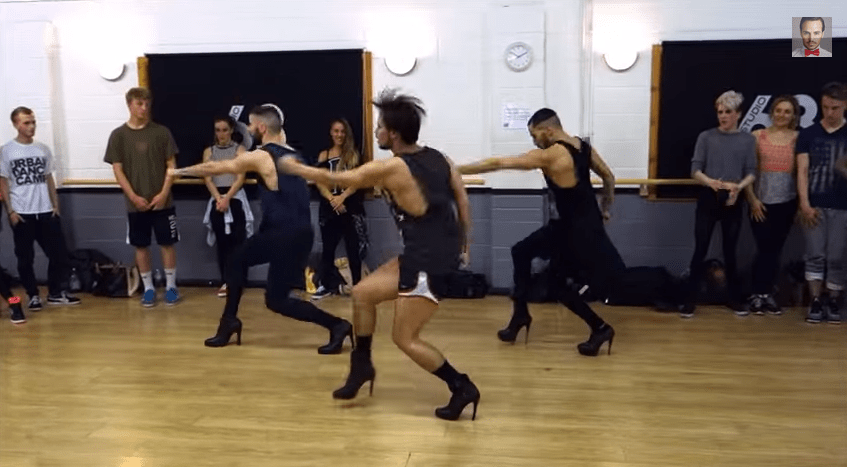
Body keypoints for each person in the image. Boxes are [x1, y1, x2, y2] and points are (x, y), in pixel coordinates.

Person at [282, 90, 479, 421]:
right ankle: (361, 366)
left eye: (380, 127)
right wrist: (465, 245)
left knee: (405, 338)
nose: (376, 132)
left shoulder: (393, 168)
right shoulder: (440, 158)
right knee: (362, 294)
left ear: (394, 134)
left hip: (428, 264)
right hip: (424, 255)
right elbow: (462, 200)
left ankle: (461, 386)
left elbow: (337, 178)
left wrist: (296, 169)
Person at [168, 104, 353, 354]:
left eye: (252, 125)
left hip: (282, 233)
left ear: (262, 128)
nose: (248, 129)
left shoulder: (262, 155)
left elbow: (217, 167)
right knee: (275, 299)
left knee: (237, 261)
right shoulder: (293, 153)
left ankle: (229, 322)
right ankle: (337, 325)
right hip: (300, 234)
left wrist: (177, 171)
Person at [459, 108, 624, 357]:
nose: (534, 141)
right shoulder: (583, 147)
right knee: (521, 251)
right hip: (575, 227)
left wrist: (455, 170)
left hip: (575, 233)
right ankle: (520, 315)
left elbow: (498, 163)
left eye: (534, 134)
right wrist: (605, 209)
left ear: (548, 130)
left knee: (556, 285)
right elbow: (609, 177)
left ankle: (600, 328)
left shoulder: (552, 155)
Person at [681, 91, 756, 317]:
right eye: (720, 112)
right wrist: (711, 183)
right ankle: (689, 299)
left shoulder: (747, 140)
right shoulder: (706, 137)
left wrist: (738, 187)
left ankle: (734, 298)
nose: (723, 116)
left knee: (730, 250)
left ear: (738, 114)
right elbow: (695, 170)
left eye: (728, 112)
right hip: (709, 195)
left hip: (733, 196)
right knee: (700, 248)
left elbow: (751, 172)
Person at [104, 87, 180, 307]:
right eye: (139, 104)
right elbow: (117, 169)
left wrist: (163, 193)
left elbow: (171, 165)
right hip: (135, 203)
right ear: (129, 105)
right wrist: (133, 196)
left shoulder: (162, 132)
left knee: (167, 243)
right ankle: (148, 289)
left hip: (163, 202)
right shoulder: (118, 135)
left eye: (147, 104)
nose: (144, 108)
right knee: (140, 245)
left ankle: (171, 287)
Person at [0, 106, 80, 310]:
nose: (31, 126)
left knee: (58, 254)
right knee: (25, 258)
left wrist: (55, 205)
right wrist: (10, 211)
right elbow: (4, 182)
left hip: (45, 210)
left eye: (33, 122)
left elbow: (48, 178)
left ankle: (55, 293)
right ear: (16, 124)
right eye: (26, 122)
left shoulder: (42, 149)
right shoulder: (7, 150)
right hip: (22, 212)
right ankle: (32, 295)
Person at [744, 95, 800, 315]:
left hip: (786, 202)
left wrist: (800, 203)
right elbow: (748, 171)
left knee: (775, 250)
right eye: (778, 110)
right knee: (763, 248)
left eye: (787, 111)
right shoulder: (758, 136)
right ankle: (757, 294)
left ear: (793, 115)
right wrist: (752, 200)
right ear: (771, 112)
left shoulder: (798, 138)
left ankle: (768, 294)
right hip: (760, 202)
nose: (782, 115)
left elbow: (800, 173)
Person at [796, 82, 847, 324]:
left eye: (835, 108)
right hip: (814, 203)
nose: (829, 112)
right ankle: (815, 300)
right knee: (814, 254)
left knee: (837, 257)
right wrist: (804, 203)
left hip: (842, 205)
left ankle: (833, 300)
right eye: (825, 107)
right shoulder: (808, 134)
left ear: (845, 105)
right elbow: (802, 171)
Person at [311, 118, 368, 300]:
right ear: (331, 133)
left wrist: (342, 197)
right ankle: (325, 285)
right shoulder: (324, 155)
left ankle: (357, 286)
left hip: (350, 207)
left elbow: (358, 180)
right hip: (329, 209)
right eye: (336, 131)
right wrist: (332, 199)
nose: (339, 135)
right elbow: (319, 181)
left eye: (342, 131)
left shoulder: (354, 155)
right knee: (328, 249)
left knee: (353, 249)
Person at [201, 116, 251, 298]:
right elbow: (207, 178)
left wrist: (228, 197)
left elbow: (240, 177)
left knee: (238, 242)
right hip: (217, 199)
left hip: (235, 197)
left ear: (231, 131)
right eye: (218, 130)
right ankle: (226, 280)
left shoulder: (240, 150)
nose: (221, 134)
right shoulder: (209, 152)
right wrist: (218, 199)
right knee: (222, 244)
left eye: (224, 130)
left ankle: (239, 281)